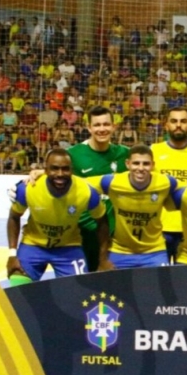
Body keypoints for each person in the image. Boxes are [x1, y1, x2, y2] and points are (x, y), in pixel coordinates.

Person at [7, 149, 108, 281]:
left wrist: (103, 258)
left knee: (78, 293)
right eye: (54, 168)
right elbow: (14, 217)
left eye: (65, 169)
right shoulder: (28, 188)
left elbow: (102, 222)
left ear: (72, 170)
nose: (60, 174)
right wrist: (12, 255)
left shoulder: (87, 193)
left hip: (69, 247)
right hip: (33, 245)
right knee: (18, 282)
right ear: (46, 169)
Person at [88, 145, 178, 269]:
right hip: (120, 251)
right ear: (127, 164)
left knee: (160, 287)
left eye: (146, 164)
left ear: (153, 165)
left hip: (155, 251)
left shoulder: (167, 183)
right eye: (136, 163)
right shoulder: (112, 182)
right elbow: (80, 185)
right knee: (112, 288)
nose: (140, 168)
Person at [67, 106, 130, 271]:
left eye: (106, 124)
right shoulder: (73, 154)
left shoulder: (125, 155)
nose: (102, 129)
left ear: (114, 126)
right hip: (83, 233)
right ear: (89, 127)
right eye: (97, 125)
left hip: (116, 236)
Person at [150, 106, 187, 262]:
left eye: (183, 121)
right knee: (158, 279)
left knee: (185, 281)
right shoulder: (154, 151)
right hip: (159, 228)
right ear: (166, 125)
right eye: (174, 121)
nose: (178, 125)